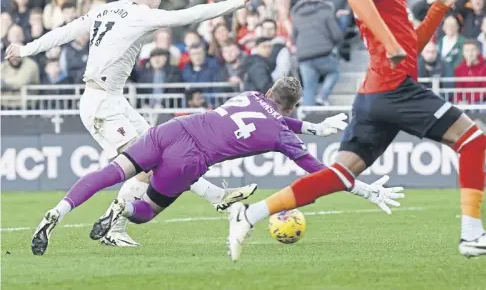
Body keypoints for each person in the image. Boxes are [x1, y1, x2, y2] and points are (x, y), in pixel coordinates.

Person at [227, 0, 486, 260]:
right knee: (473, 140)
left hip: (372, 97)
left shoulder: (386, 1)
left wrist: (440, 6)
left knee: (341, 175)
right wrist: (391, 45)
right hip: (396, 89)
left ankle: (249, 215)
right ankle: (472, 234)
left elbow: (410, 48)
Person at [6, 0, 261, 248]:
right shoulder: (144, 15)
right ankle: (108, 227)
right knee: (144, 166)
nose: (160, 2)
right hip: (102, 104)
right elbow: (192, 14)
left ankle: (216, 196)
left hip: (111, 99)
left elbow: (64, 32)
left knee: (166, 151)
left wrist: (26, 49)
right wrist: (237, 3)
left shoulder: (104, 10)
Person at [30, 77, 403, 255]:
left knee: (112, 171)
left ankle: (59, 211)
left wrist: (316, 126)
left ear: (270, 92)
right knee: (144, 213)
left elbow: (274, 115)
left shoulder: (250, 96)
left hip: (174, 129)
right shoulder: (281, 134)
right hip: (189, 161)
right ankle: (121, 210)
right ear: (292, 106)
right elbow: (320, 172)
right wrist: (366, 188)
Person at [292, 0, 342, 105]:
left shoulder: (297, 15)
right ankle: (323, 96)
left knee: (309, 87)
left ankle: (308, 118)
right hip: (323, 54)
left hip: (303, 57)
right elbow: (337, 35)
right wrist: (334, 46)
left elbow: (294, 37)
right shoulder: (326, 12)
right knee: (334, 71)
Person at [454, 40, 486, 104]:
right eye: (467, 50)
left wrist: (469, 101)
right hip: (464, 102)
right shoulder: (458, 69)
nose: (470, 53)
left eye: (473, 50)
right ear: (463, 52)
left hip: (481, 102)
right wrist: (459, 101)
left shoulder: (484, 67)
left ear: (478, 51)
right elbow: (458, 88)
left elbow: (484, 90)